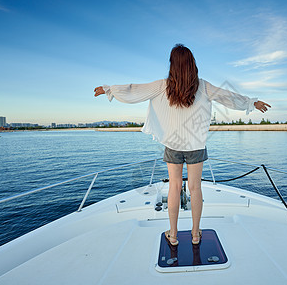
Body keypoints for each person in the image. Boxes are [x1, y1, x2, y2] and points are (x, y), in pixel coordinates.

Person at [94, 44, 270, 246]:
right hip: (196, 145)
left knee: (174, 187)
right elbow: (227, 97)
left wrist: (109, 89)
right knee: (195, 188)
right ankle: (196, 234)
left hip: (173, 145)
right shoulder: (202, 86)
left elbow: (134, 90)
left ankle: (174, 234)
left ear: (172, 65)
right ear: (192, 64)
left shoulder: (163, 85)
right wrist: (251, 103)